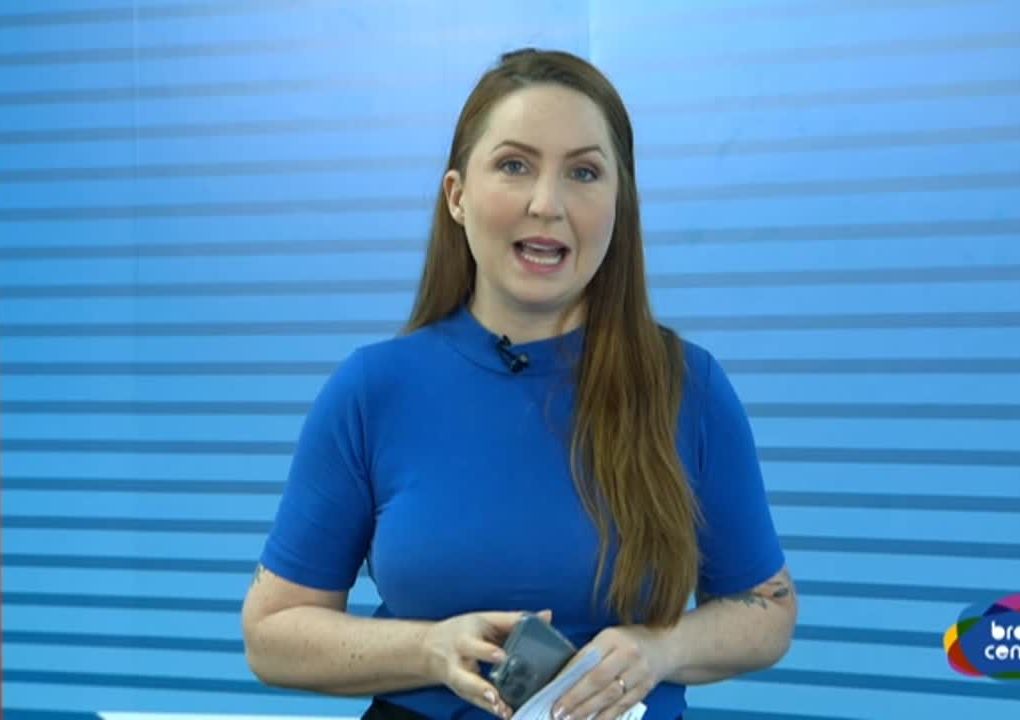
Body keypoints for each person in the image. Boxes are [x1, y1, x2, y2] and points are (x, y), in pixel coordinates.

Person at [241, 48, 797, 720]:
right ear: (457, 196)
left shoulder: (688, 386)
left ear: (619, 204)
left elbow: (768, 609)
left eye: (584, 172)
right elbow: (272, 633)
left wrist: (661, 650)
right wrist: (428, 650)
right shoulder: (372, 389)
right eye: (514, 166)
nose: (547, 204)